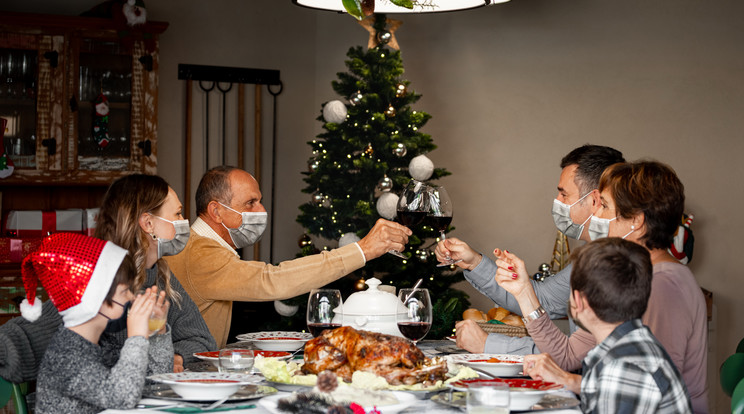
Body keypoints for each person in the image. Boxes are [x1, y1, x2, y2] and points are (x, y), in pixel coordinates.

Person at [496, 161, 708, 413]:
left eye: (604, 206)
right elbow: (567, 355)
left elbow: (645, 387)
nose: (595, 215)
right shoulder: (626, 277)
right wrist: (524, 292)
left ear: (636, 221)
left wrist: (570, 381)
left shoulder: (664, 285)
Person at [165, 166, 412, 347]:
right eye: (250, 203)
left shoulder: (199, 247)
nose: (262, 211)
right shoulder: (200, 253)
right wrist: (363, 249)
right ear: (216, 211)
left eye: (260, 201)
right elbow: (273, 281)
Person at [434, 144, 625, 354]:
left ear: (594, 199)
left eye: (564, 194)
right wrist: (474, 262)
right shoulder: (592, 255)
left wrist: (488, 344)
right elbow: (543, 301)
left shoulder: (620, 264)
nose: (557, 201)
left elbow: (575, 356)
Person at [523, 237, 692, 413]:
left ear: (580, 302)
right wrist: (567, 380)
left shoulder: (623, 367)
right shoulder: (631, 344)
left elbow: (619, 383)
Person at [20, 233, 173, 414]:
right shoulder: (66, 356)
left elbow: (153, 382)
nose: (132, 298)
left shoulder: (104, 344)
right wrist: (137, 337)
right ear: (96, 299)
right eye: (125, 291)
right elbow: (123, 397)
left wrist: (157, 330)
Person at [95, 174, 217, 371]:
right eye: (177, 214)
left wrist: (176, 356)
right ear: (148, 223)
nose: (183, 221)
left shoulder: (159, 274)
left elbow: (202, 340)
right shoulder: (97, 278)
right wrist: (159, 356)